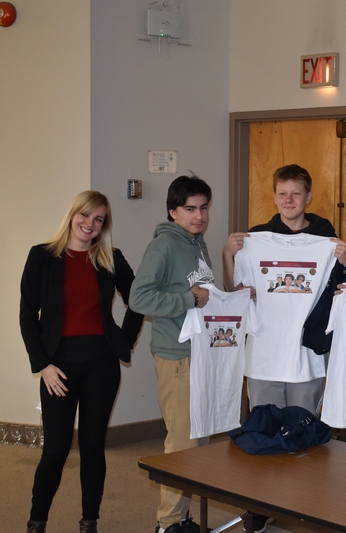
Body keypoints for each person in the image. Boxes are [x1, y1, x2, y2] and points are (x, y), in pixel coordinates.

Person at [222, 163, 346, 533]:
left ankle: (302, 507)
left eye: (296, 193)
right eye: (283, 193)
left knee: (303, 439)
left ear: (308, 196)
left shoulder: (327, 239)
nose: (289, 200)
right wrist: (228, 255)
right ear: (274, 196)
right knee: (262, 433)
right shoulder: (255, 239)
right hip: (263, 355)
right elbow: (233, 291)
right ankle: (259, 507)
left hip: (307, 358)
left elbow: (345, 290)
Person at [19, 191, 143, 533]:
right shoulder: (42, 256)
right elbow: (28, 315)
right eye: (85, 215)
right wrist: (43, 366)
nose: (90, 224)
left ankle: (90, 522)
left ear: (104, 225)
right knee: (55, 450)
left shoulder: (110, 259)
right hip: (58, 368)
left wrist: (124, 340)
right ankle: (37, 522)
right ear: (73, 215)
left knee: (92, 447)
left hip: (102, 365)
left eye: (98, 219)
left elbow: (139, 298)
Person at [129, 175, 214, 533]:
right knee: (182, 442)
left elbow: (203, 294)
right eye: (190, 209)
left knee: (197, 440)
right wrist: (188, 298)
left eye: (204, 208)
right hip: (177, 355)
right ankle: (168, 524)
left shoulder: (197, 243)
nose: (199, 215)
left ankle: (182, 517)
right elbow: (139, 298)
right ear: (173, 211)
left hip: (200, 352)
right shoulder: (164, 245)